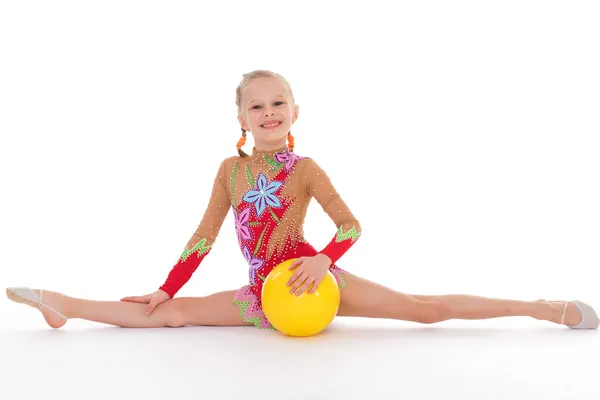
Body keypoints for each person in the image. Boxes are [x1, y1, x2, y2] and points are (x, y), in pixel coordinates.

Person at [6, 70, 599, 331]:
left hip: (314, 281)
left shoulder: (305, 168)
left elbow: (350, 225)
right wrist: (167, 286)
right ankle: (62, 304)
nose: (268, 112)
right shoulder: (229, 172)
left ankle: (539, 307)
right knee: (173, 315)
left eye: (278, 102)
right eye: (256, 105)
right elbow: (203, 237)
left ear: (294, 111)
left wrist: (322, 261)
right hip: (264, 296)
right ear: (240, 117)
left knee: (424, 310)